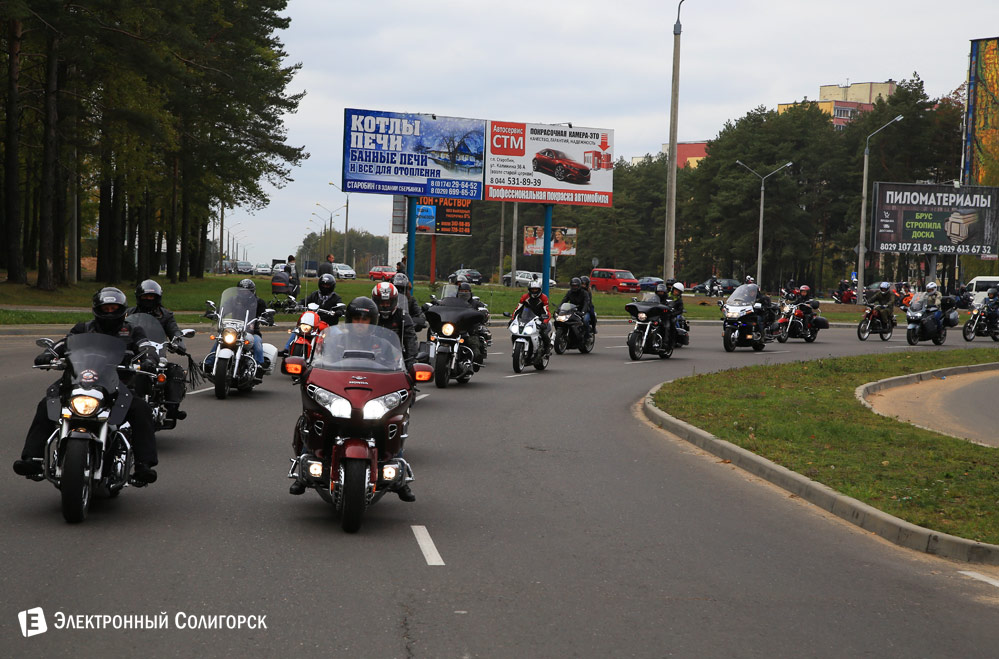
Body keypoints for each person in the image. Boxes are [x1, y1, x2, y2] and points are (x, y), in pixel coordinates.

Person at [13, 287, 159, 484]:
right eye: (105, 308)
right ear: (97, 309)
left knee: (141, 408)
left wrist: (149, 358)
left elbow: (146, 346)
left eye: (113, 308)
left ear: (122, 310)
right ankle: (33, 459)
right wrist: (50, 354)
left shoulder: (132, 330)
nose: (109, 312)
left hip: (117, 384)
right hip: (79, 380)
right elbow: (65, 343)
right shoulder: (83, 328)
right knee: (47, 403)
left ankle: (143, 465)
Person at [127, 279, 188, 421]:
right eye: (145, 296)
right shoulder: (129, 314)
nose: (149, 299)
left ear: (158, 298)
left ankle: (172, 408)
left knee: (175, 371)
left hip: (157, 355)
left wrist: (178, 342)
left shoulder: (166, 315)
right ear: (139, 297)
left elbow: (174, 331)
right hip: (134, 353)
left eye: (151, 297)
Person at [279, 273, 342, 357]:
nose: (325, 287)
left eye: (327, 285)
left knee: (337, 334)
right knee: (298, 330)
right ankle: (287, 349)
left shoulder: (336, 298)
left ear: (332, 286)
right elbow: (305, 300)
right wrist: (298, 304)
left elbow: (340, 306)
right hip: (313, 322)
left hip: (328, 324)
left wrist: (339, 311)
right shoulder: (315, 295)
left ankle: (333, 355)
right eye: (323, 285)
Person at [371, 282, 419, 368]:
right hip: (370, 357)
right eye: (382, 302)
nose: (385, 306)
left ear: (394, 301)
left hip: (396, 360)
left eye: (388, 302)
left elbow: (410, 340)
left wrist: (410, 363)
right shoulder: (370, 316)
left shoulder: (402, 316)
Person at [455, 280, 490, 364]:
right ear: (458, 292)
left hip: (470, 329)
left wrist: (482, 314)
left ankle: (475, 360)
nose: (463, 293)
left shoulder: (476, 304)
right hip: (454, 327)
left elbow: (483, 312)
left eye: (466, 291)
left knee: (473, 343)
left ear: (470, 292)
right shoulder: (453, 302)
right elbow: (445, 306)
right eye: (461, 291)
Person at [512, 278, 551, 351]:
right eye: (532, 289)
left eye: (536, 289)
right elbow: (518, 309)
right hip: (527, 317)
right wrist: (512, 319)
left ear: (539, 289)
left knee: (543, 333)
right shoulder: (525, 297)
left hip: (540, 318)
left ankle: (547, 348)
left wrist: (545, 322)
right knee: (517, 331)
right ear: (529, 289)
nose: (534, 291)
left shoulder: (544, 298)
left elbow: (546, 311)